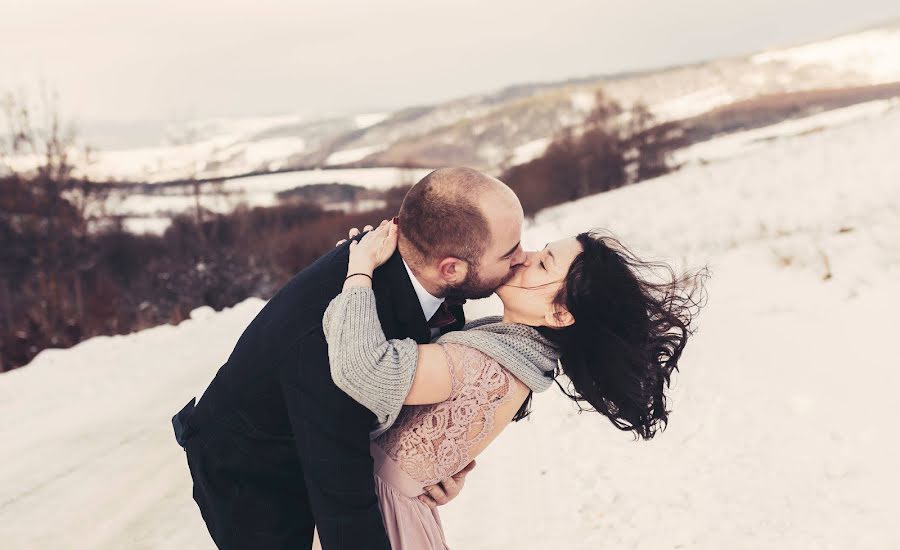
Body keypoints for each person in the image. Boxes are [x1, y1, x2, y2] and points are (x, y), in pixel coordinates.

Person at [171, 167, 527, 549]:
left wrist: (433, 465)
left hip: (316, 439)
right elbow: (342, 494)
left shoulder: (418, 267)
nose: (524, 257)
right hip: (252, 476)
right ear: (451, 268)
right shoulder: (336, 336)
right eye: (510, 251)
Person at [321, 221, 706, 548]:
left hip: (376, 523)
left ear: (558, 313)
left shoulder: (486, 365)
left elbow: (365, 369)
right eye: (538, 251)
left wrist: (358, 273)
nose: (524, 257)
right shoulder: (519, 356)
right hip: (385, 509)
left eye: (543, 265)